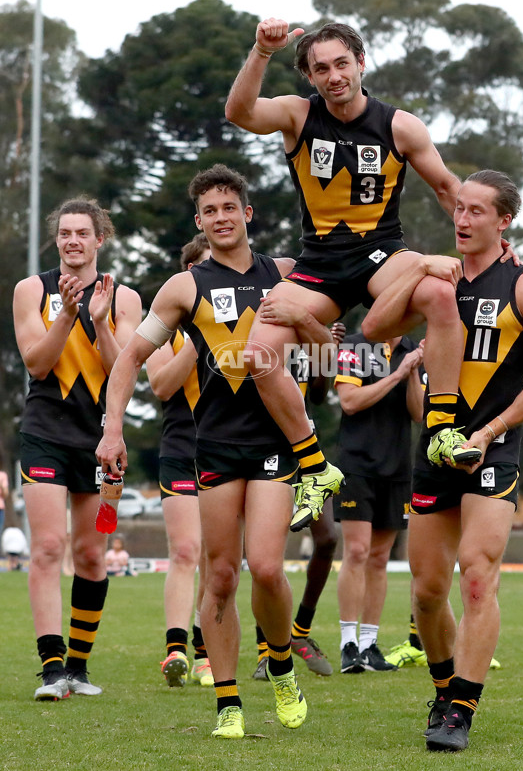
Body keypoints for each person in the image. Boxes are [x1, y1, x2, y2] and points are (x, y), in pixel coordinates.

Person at [96, 164, 337, 739]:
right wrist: (111, 428)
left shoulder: (286, 274)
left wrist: (303, 317)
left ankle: (280, 665)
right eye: (209, 211)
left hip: (277, 444)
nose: (221, 218)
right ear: (199, 222)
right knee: (222, 576)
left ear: (247, 213)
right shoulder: (185, 286)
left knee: (271, 567)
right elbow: (130, 359)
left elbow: (331, 344)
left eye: (229, 207)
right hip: (216, 446)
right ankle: (228, 702)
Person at [225, 18, 489, 533]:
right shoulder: (298, 116)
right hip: (319, 264)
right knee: (258, 353)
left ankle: (441, 426)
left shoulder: (400, 126)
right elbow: (239, 112)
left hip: (380, 256)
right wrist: (261, 50)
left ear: (360, 63)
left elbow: (446, 188)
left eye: (342, 63)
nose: (333, 76)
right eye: (321, 68)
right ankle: (315, 466)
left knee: (439, 291)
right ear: (310, 76)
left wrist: (485, 244)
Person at [402, 171, 523, 751]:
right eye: (458, 208)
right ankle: (445, 689)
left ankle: (460, 712)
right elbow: (377, 326)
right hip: (433, 450)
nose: (463, 219)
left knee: (477, 575)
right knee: (426, 591)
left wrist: (492, 429)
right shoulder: (434, 281)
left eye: (477, 211)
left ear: (504, 222)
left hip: (493, 451)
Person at [12, 196, 142, 701]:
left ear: (99, 240)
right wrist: (66, 315)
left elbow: (124, 368)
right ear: (57, 239)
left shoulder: (124, 297)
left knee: (91, 553)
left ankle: (79, 669)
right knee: (47, 548)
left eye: (81, 233)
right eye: (64, 232)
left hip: (100, 440)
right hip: (44, 432)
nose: (72, 240)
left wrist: (101, 321)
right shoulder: (31, 290)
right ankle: (51, 669)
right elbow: (38, 364)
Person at [253, 320, 346, 681]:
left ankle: (300, 633)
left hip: (306, 447)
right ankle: (267, 652)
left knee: (327, 539)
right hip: (267, 448)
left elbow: (319, 396)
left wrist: (325, 355)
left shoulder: (311, 334)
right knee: (268, 556)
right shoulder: (267, 332)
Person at [334, 331, 424, 673]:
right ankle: (348, 644)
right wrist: (398, 374)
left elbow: (418, 413)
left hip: (397, 467)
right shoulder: (354, 345)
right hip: (357, 465)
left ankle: (370, 645)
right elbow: (350, 401)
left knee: (379, 558)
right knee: (356, 551)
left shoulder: (413, 348)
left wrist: (413, 369)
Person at [146, 232, 213, 689]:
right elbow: (161, 386)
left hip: (226, 448)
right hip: (179, 446)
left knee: (217, 556)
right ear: (189, 274)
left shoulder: (245, 321)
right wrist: (198, 335)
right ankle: (176, 649)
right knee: (186, 550)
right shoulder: (166, 329)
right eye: (204, 269)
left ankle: (210, 650)